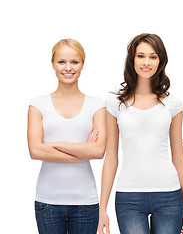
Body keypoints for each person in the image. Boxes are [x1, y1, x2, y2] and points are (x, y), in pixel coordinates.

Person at [97, 33, 183, 234]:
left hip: (169, 195)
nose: (146, 62)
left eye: (153, 56)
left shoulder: (173, 102)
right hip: (128, 197)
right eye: (141, 56)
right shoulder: (115, 102)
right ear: (132, 59)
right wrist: (102, 208)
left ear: (160, 61)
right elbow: (111, 158)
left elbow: (179, 159)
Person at [28, 38, 107, 233]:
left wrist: (53, 145)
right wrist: (83, 150)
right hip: (47, 201)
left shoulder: (97, 105)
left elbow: (98, 151)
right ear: (53, 64)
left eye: (74, 62)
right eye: (61, 62)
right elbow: (35, 151)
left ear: (82, 64)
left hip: (85, 202)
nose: (68, 68)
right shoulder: (38, 104)